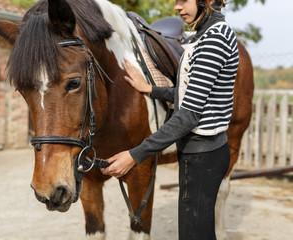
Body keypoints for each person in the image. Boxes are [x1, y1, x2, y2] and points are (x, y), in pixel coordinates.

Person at [101, 0, 239, 239]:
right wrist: (151, 89)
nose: (177, 7)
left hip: (203, 156)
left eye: (183, 0)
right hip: (198, 154)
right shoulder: (205, 35)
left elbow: (188, 115)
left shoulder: (214, 39)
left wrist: (135, 154)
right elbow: (188, 93)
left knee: (194, 234)